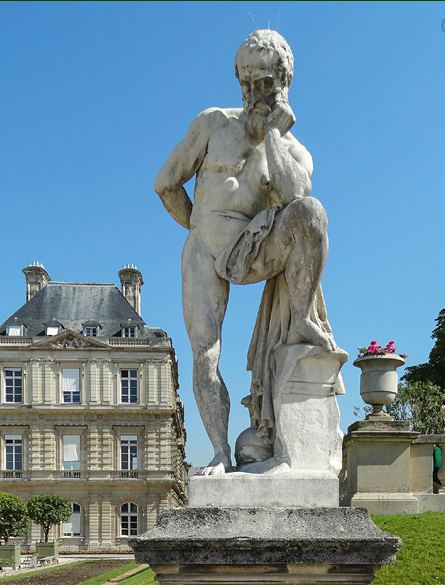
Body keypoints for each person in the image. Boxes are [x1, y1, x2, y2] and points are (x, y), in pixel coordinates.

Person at [154, 29, 339, 475]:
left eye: (266, 84)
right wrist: (200, 227)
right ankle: (219, 451)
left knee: (312, 212)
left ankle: (301, 320)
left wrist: (273, 135)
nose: (254, 94)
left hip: (257, 248)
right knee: (206, 353)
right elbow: (165, 183)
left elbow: (296, 199)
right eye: (247, 83)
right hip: (204, 248)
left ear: (285, 83)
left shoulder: (293, 150)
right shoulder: (212, 124)